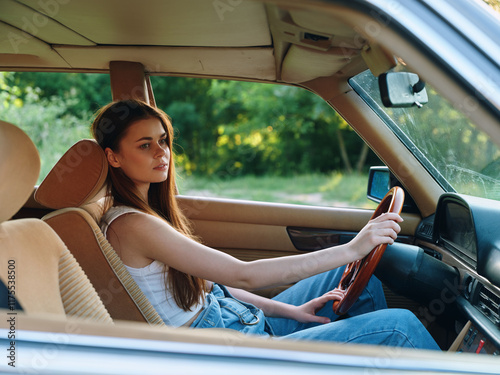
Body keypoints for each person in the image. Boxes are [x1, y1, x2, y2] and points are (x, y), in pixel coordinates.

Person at [92, 99, 439, 350]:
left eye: (163, 140)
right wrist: (353, 247)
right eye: (145, 145)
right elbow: (244, 275)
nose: (161, 152)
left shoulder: (147, 213)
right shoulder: (132, 225)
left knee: (358, 281)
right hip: (230, 349)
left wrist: (293, 311)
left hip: (236, 319)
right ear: (114, 157)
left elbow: (209, 288)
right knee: (402, 327)